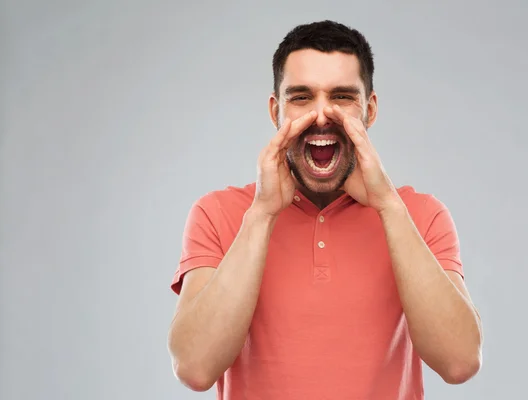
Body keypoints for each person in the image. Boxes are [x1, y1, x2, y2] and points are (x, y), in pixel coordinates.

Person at [167, 20, 483, 400]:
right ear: (275, 110)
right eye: (301, 97)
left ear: (370, 110)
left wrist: (387, 205)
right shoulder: (217, 213)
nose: (321, 115)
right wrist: (263, 214)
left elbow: (460, 362)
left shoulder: (421, 214)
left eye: (343, 97)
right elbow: (195, 368)